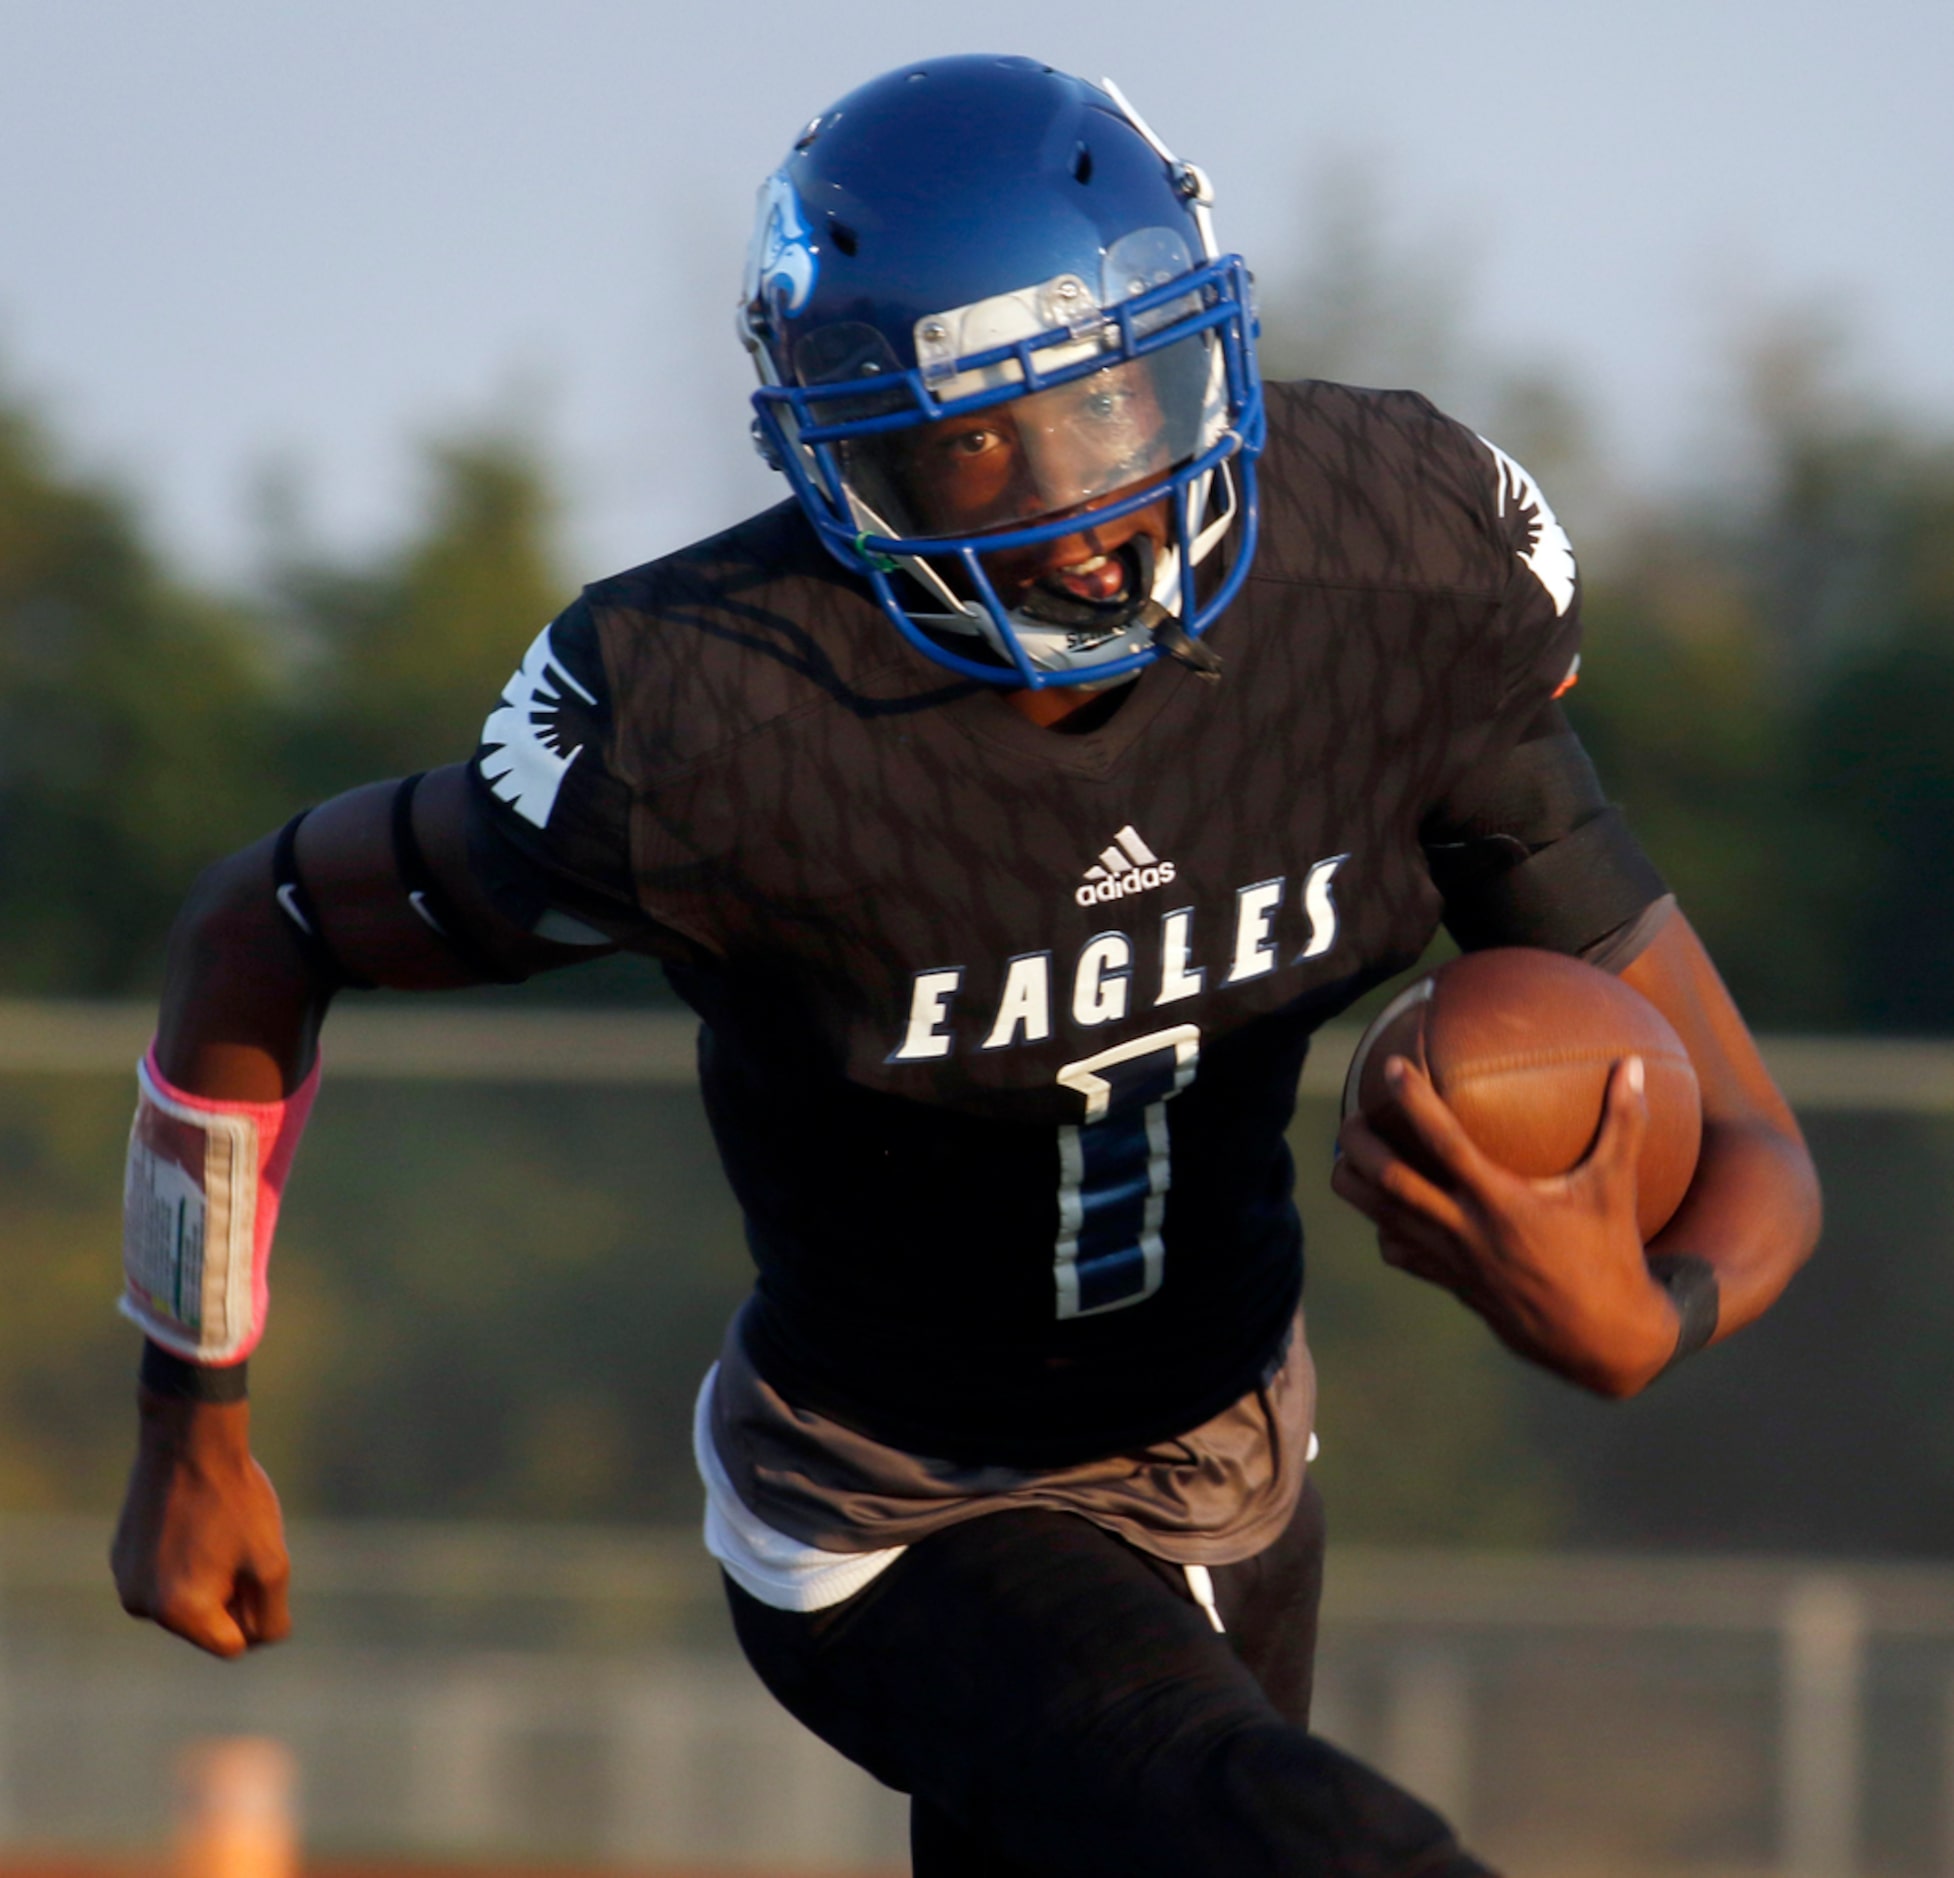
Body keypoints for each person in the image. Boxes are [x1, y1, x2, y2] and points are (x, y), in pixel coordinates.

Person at [111, 54, 1821, 1877]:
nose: (1085, 500)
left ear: (1213, 338)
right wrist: (187, 1418)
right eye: (981, 436)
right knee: (1317, 1842)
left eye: (1121, 394)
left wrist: (1663, 1312)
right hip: (893, 1506)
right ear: (840, 453)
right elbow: (260, 925)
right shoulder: (716, 722)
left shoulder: (1387, 584)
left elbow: (1747, 1144)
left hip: (1236, 1463)